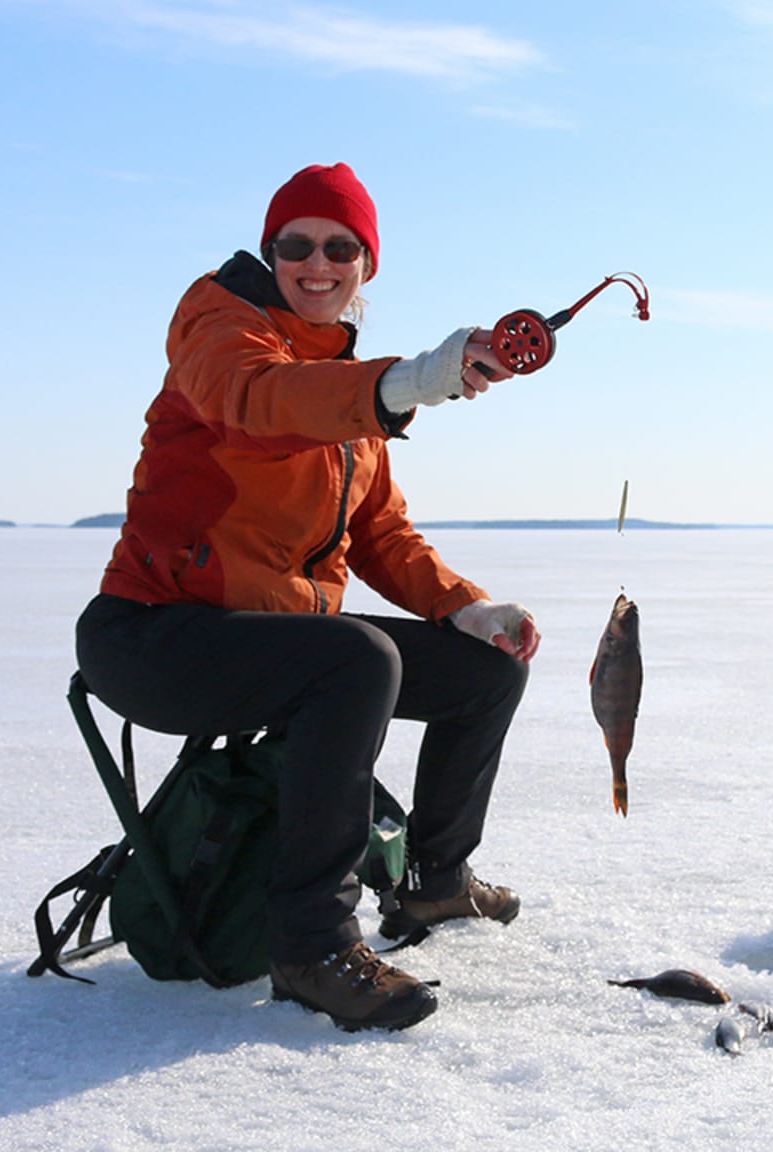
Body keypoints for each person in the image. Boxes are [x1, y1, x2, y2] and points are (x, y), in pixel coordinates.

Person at [75, 162, 539, 1032]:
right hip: (154, 634)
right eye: (296, 245)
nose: (315, 263)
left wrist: (469, 610)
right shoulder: (218, 328)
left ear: (368, 263)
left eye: (339, 247)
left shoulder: (349, 391)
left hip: (275, 634)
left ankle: (434, 884)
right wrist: (408, 381)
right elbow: (259, 399)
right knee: (355, 661)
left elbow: (382, 536)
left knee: (484, 672)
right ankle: (313, 946)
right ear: (270, 251)